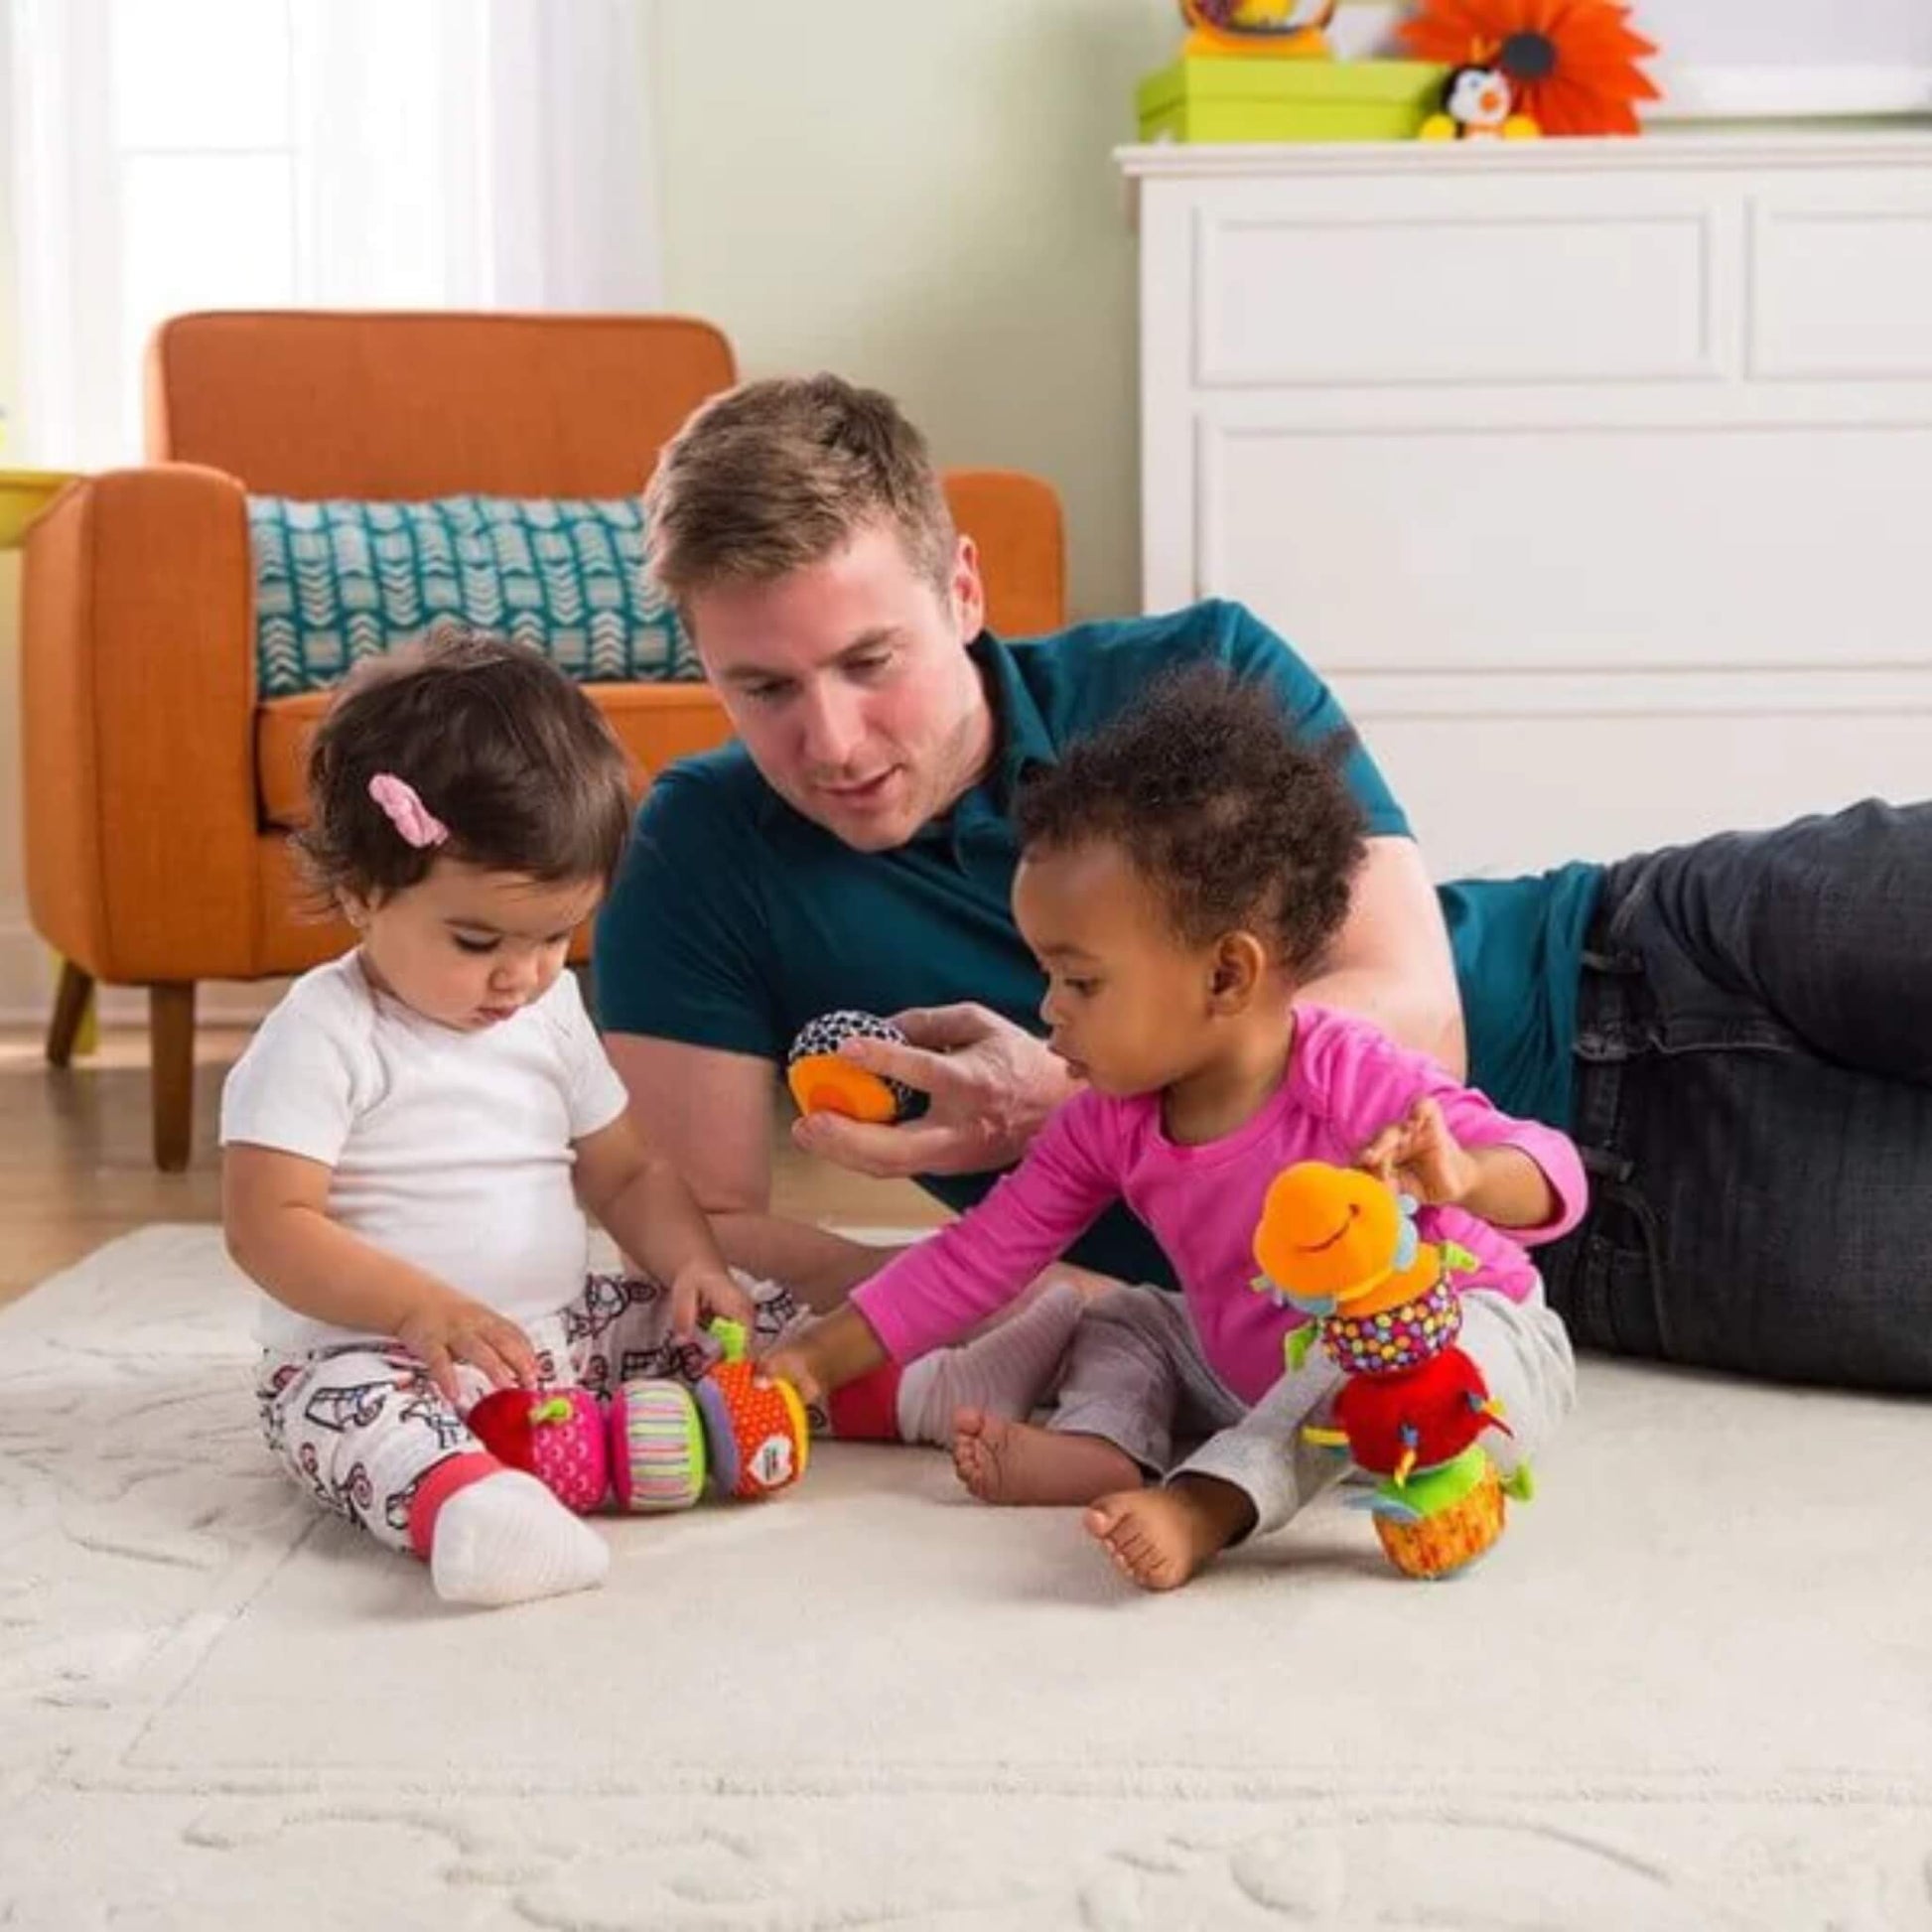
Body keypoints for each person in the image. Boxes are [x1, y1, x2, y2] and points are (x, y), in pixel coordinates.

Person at [596, 373, 1932, 1396]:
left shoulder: (1194, 668)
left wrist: (1057, 1100)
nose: (826, 742)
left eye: (868, 660)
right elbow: (708, 1232)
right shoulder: (702, 850)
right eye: (760, 687)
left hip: (1640, 942)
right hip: (1584, 1231)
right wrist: (1025, 1298)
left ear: (959, 589)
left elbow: (1417, 1017)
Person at [220, 631, 1082, 1610]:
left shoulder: (541, 1013)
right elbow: (268, 1222)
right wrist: (420, 1307)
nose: (522, 973)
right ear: (361, 893)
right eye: (477, 940)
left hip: (559, 1330)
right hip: (377, 1348)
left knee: (734, 1320)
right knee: (357, 1424)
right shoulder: (326, 1033)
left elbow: (625, 1172)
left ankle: (927, 1388)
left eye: (555, 936)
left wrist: (690, 1267)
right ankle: (470, 1509)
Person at [760, 666, 1582, 1589]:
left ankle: (1209, 1503)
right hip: (1247, 1367)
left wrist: (1465, 1176)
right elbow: (980, 1255)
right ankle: (1105, 1442)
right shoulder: (1106, 1120)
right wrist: (817, 1356)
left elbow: (1556, 1175)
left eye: (1080, 982)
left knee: (1343, 1361)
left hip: (1453, 1360)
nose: (1047, 1010)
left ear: (1226, 976)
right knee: (1124, 1316)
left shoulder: (1347, 1075)